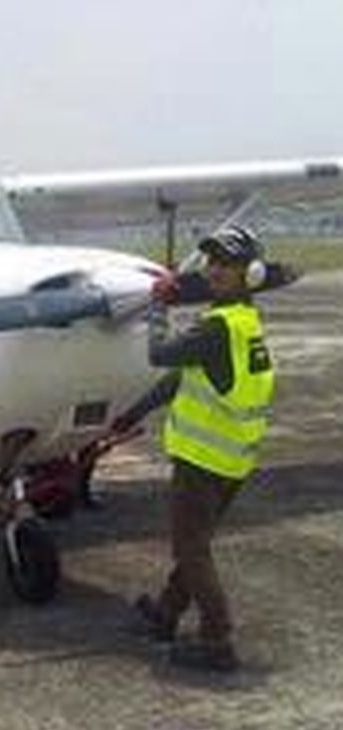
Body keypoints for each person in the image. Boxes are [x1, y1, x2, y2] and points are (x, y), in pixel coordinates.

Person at [116, 225, 276, 672]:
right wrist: (133, 413)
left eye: (227, 264)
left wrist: (158, 306)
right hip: (235, 458)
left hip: (204, 460)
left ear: (251, 273)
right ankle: (166, 614)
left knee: (190, 549)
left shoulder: (216, 329)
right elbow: (185, 375)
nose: (215, 270)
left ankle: (217, 640)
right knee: (196, 544)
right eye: (212, 261)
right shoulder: (244, 322)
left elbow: (160, 355)